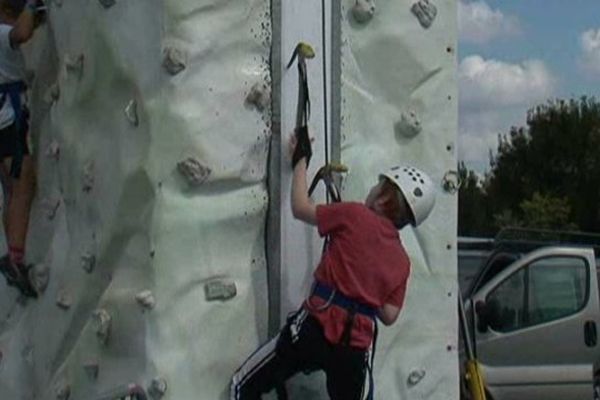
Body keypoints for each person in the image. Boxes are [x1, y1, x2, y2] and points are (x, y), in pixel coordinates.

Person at [230, 127, 436, 400]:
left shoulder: (354, 215)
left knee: (243, 385)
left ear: (384, 197)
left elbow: (300, 207)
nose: (372, 188)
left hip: (313, 329)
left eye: (378, 185)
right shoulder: (402, 261)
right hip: (354, 349)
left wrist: (300, 159)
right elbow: (389, 315)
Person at [0, 0, 44, 298]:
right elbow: (22, 33)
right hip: (6, 118)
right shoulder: (1, 31)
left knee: (10, 188)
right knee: (22, 181)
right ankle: (14, 257)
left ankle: (12, 252)